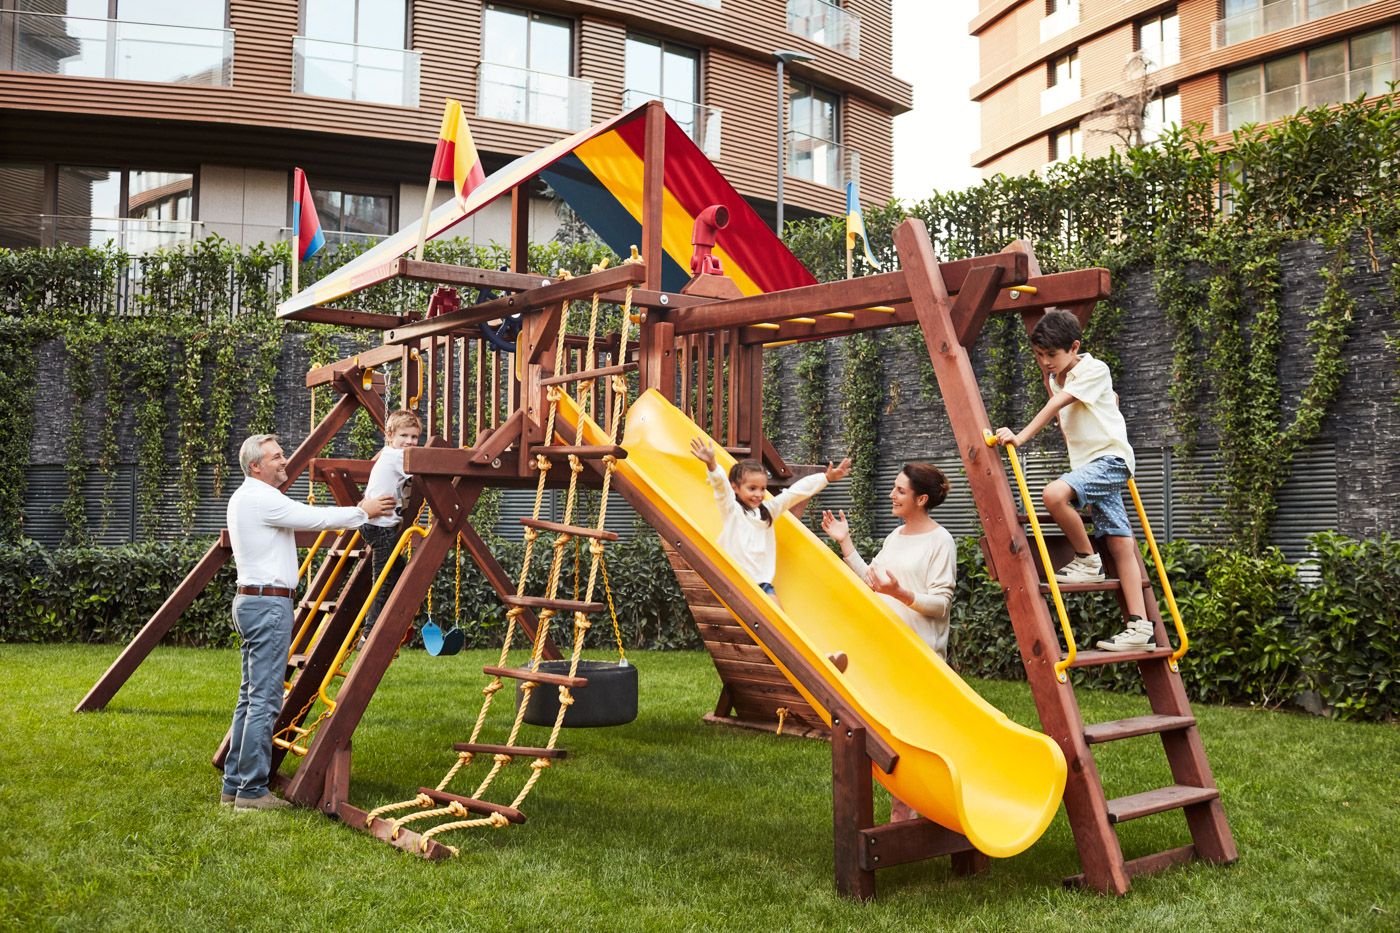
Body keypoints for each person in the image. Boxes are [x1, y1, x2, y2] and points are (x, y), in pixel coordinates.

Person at [221, 433, 393, 811]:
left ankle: (234, 785)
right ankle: (251, 792)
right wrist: (364, 510)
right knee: (265, 701)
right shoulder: (261, 498)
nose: (285, 461)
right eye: (277, 457)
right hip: (267, 605)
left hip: (253, 601)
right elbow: (316, 518)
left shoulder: (245, 497)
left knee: (251, 697)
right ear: (256, 466)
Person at [993, 309, 1150, 653]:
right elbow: (1088, 408)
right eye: (1039, 355)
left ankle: (1087, 559)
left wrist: (1019, 437)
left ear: (1074, 346)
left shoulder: (1094, 369)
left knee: (1054, 494)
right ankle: (1140, 626)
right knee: (1121, 543)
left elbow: (1058, 406)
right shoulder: (1056, 378)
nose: (1046, 362)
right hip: (1090, 465)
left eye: (1052, 355)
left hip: (1110, 461)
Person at [821, 462, 956, 822]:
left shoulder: (941, 541)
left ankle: (919, 814)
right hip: (886, 654)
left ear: (921, 498)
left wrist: (901, 593)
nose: (892, 495)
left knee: (915, 743)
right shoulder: (895, 537)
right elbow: (872, 580)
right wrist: (845, 542)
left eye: (900, 490)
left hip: (920, 659)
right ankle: (903, 814)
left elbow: (941, 603)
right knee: (887, 740)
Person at [689, 437, 850, 601]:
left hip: (761, 583)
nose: (758, 494)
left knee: (778, 617)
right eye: (752, 488)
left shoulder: (768, 512)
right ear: (735, 487)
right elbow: (721, 488)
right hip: (734, 581)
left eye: (762, 489)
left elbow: (795, 493)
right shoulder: (732, 510)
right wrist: (712, 464)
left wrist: (826, 478)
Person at [357, 409, 422, 638]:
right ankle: (370, 630)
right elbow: (424, 467)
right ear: (390, 435)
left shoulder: (387, 453)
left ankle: (387, 620)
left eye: (414, 437)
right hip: (380, 526)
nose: (409, 442)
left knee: (396, 572)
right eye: (404, 436)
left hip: (375, 523)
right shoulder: (397, 457)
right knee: (384, 579)